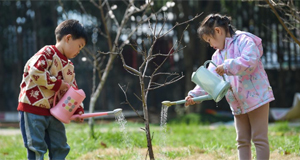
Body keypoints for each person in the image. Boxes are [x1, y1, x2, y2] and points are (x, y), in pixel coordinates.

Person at [185, 14, 275, 160]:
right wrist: (194, 95)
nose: (210, 45)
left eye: (209, 40)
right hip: (237, 103)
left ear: (218, 31)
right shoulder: (217, 56)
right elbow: (210, 80)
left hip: (257, 98)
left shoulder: (244, 40)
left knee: (259, 139)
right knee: (241, 141)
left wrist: (227, 66)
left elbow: (250, 61)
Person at [17, 19, 88, 160]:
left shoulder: (69, 67)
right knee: (36, 147)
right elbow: (35, 71)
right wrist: (57, 84)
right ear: (68, 38)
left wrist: (77, 110)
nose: (79, 51)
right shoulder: (47, 53)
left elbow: (73, 90)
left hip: (55, 113)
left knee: (60, 146)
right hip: (33, 109)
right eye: (79, 46)